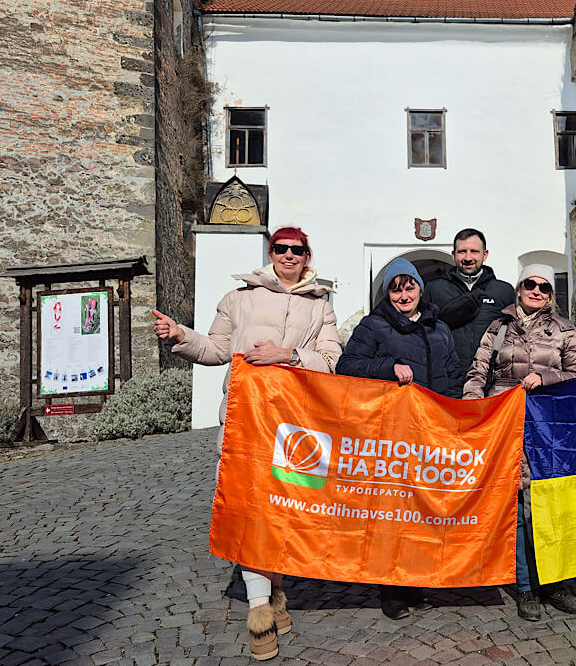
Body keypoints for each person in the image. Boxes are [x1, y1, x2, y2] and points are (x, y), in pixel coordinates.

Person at [152, 226, 342, 662]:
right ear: (270, 251)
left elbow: (331, 361)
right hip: (245, 418)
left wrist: (289, 356)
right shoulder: (238, 298)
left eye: (297, 250)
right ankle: (259, 611)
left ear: (307, 255)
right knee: (251, 511)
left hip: (297, 424)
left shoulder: (320, 307)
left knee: (286, 515)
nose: (289, 256)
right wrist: (181, 335)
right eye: (281, 248)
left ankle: (275, 590)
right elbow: (215, 349)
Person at [335, 258, 462, 621]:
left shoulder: (438, 327)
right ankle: (391, 589)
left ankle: (414, 581)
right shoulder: (373, 325)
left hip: (431, 431)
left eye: (410, 287)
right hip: (391, 435)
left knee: (422, 510)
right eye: (396, 288)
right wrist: (388, 367)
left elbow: (452, 370)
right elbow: (348, 366)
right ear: (386, 293)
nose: (404, 295)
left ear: (420, 290)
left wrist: (452, 412)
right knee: (391, 512)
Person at [463, 264, 576, 622]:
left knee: (548, 504)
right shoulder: (499, 328)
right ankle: (524, 587)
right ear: (519, 289)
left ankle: (554, 582)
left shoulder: (564, 329)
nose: (536, 291)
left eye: (544, 287)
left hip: (550, 428)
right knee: (516, 505)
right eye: (530, 284)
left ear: (551, 295)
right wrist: (475, 411)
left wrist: (546, 376)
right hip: (507, 425)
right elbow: (477, 372)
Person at [424, 228, 516, 384]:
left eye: (474, 251)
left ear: (484, 255)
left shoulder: (504, 291)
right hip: (449, 380)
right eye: (462, 252)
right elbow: (423, 334)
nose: (468, 257)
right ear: (453, 255)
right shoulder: (434, 289)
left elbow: (515, 337)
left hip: (490, 380)